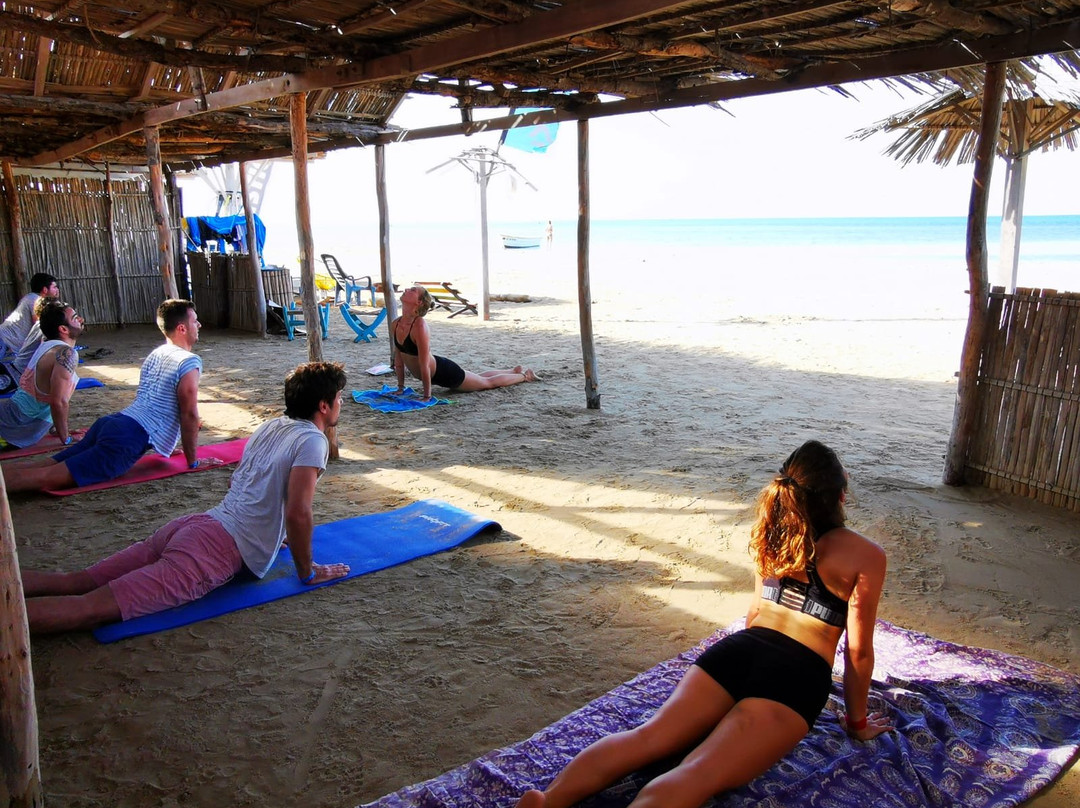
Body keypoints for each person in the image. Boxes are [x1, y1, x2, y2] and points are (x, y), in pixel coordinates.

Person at [515, 440, 891, 808]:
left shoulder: (774, 533)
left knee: (648, 737)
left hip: (741, 651)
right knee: (699, 771)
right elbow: (857, 653)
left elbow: (756, 614)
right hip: (796, 675)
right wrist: (856, 723)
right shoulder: (866, 556)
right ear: (839, 495)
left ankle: (548, 800)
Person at [21, 361, 352, 634]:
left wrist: (268, 534)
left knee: (76, 582)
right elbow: (298, 512)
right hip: (212, 549)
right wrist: (307, 570)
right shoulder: (313, 441)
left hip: (197, 525)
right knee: (90, 607)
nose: (341, 403)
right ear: (323, 405)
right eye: (339, 398)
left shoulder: (271, 426)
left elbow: (246, 483)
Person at [4, 298, 208, 493]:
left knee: (44, 465)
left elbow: (154, 402)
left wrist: (165, 444)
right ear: (182, 328)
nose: (198, 324)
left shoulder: (157, 354)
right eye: (194, 321)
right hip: (125, 438)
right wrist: (193, 461)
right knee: (45, 477)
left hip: (114, 423)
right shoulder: (189, 361)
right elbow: (188, 413)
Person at [392, 285, 538, 400]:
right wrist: (400, 387)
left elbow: (424, 365)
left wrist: (427, 396)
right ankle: (512, 371)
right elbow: (399, 359)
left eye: (412, 290)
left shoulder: (420, 326)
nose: (405, 290)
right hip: (438, 368)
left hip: (445, 373)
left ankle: (525, 376)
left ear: (419, 302)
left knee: (486, 383)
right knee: (477, 377)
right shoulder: (395, 324)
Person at [0, 300, 84, 448]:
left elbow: (45, 395)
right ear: (63, 329)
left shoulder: (46, 344)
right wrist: (66, 438)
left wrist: (56, 428)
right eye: (75, 318)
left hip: (12, 417)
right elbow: (58, 402)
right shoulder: (67, 353)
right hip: (13, 426)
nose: (81, 320)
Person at [0, 272, 60, 355]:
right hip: (4, 339)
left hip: (6, 339)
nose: (57, 290)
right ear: (45, 290)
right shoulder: (35, 300)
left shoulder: (31, 298)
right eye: (55, 287)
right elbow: (39, 326)